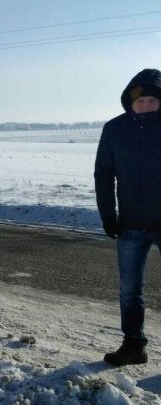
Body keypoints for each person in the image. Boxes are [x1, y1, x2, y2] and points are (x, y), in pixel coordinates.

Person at [95, 68, 161, 366]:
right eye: (140, 100)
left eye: (152, 99)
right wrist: (109, 216)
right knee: (129, 290)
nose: (146, 104)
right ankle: (134, 345)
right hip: (131, 224)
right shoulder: (115, 129)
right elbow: (104, 175)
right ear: (130, 101)